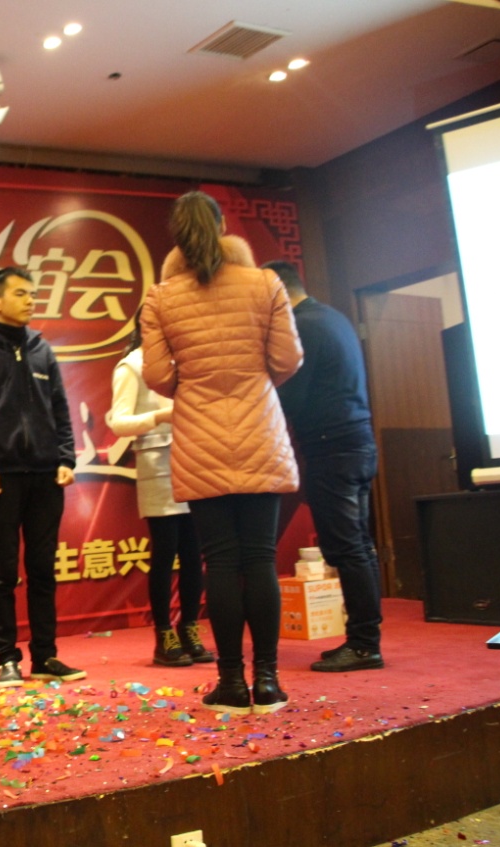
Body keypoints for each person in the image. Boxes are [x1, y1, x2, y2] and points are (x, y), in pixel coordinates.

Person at [141, 192, 302, 715]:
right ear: (223, 226)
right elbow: (288, 358)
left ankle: (231, 683)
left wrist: (196, 387)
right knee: (260, 559)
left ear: (176, 236)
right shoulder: (266, 283)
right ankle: (268, 683)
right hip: (260, 431)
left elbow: (157, 375)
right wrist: (254, 381)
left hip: (199, 438)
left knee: (220, 562)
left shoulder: (161, 297)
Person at [0, 266, 85, 688]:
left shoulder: (42, 349)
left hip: (47, 475)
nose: (31, 300)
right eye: (21, 294)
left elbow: (60, 408)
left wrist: (66, 458)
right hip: (2, 475)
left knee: (43, 569)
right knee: (3, 571)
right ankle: (6, 658)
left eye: (32, 294)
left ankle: (45, 656)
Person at [265, 260, 385, 673]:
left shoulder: (302, 326)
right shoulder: (332, 317)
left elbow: (293, 398)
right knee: (358, 546)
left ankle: (364, 644)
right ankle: (365, 638)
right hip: (357, 442)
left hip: (331, 447)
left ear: (278, 293)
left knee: (346, 548)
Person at [106, 307, 213, 667]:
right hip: (157, 464)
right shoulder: (131, 365)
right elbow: (119, 422)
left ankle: (190, 627)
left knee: (194, 553)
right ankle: (164, 634)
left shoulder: (185, 361)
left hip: (194, 461)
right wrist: (159, 416)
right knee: (166, 552)